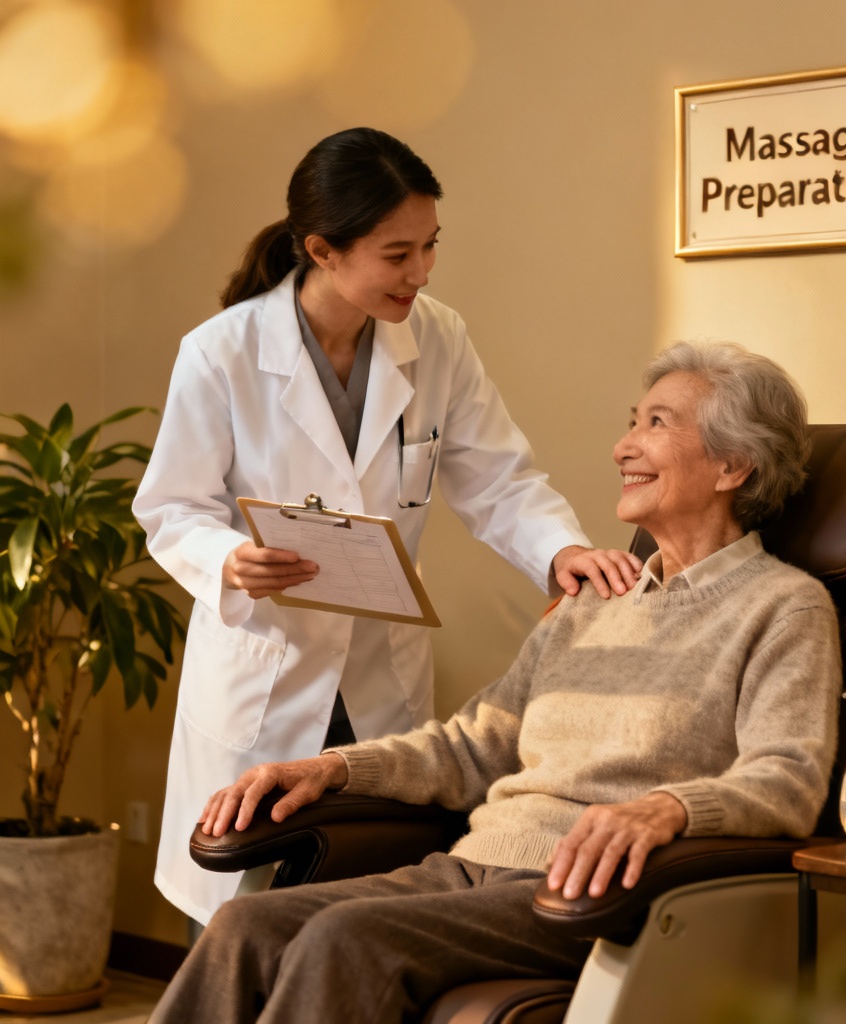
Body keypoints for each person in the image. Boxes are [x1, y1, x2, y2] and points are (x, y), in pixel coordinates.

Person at [146, 340, 843, 1024]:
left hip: (591, 889)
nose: (623, 447)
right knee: (244, 924)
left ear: (733, 465)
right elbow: (474, 746)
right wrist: (331, 769)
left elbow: (788, 777)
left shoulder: (783, 605)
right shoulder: (597, 598)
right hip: (473, 865)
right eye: (632, 421)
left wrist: (669, 809)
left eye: (656, 424)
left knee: (342, 942)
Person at [132, 127, 643, 926]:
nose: (422, 272)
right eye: (396, 254)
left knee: (360, 912)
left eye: (430, 247)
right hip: (268, 669)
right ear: (323, 250)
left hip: (379, 677)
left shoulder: (437, 337)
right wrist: (230, 558)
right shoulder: (222, 354)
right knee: (242, 919)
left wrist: (562, 550)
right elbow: (171, 507)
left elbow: (497, 475)